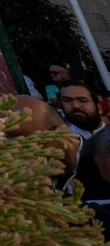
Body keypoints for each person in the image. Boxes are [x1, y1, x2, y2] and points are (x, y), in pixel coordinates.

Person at [59, 81, 110, 237]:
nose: (75, 105)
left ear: (99, 107)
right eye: (67, 100)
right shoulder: (61, 144)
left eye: (82, 100)